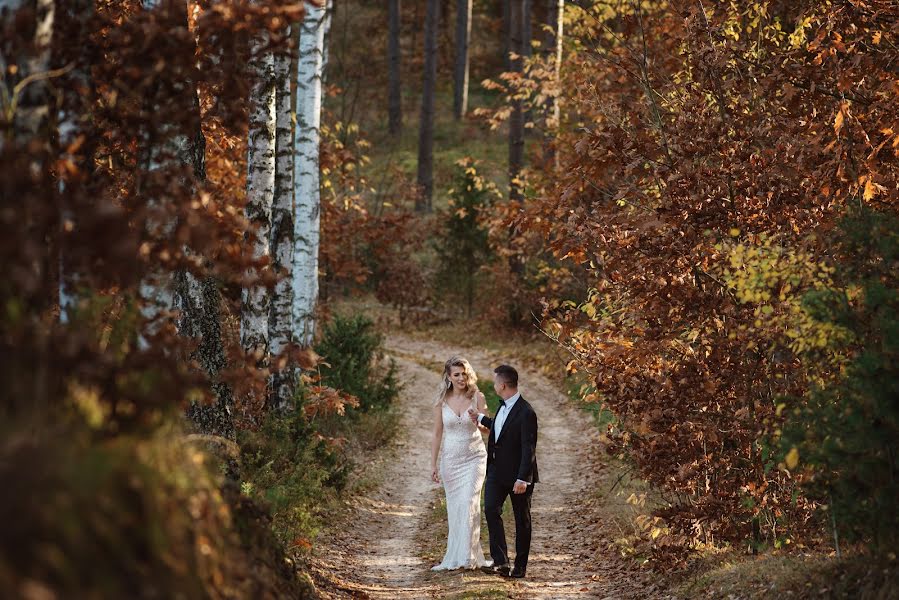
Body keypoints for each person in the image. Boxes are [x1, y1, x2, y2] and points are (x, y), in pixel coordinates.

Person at [468, 364, 538, 579]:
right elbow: (501, 429)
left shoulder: (526, 412)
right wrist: (480, 418)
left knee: (522, 520)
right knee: (490, 509)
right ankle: (501, 562)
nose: (494, 384)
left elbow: (529, 448)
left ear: (504, 385)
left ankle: (520, 566)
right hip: (497, 473)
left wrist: (522, 479)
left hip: (518, 476)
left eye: (495, 381)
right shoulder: (504, 406)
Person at [430, 356, 490, 571]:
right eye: (456, 374)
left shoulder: (478, 397)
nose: (461, 378)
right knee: (456, 507)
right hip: (450, 461)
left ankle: (469, 557)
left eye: (464, 373)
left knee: (469, 502)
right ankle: (457, 555)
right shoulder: (441, 401)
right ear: (449, 376)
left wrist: (478, 420)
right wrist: (433, 465)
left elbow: (488, 429)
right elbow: (437, 434)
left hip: (474, 457)